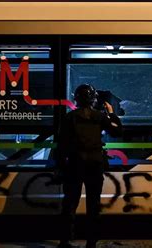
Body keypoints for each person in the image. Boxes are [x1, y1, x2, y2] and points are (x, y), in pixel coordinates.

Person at [57, 84, 122, 248]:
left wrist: (61, 165)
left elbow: (62, 144)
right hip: (94, 163)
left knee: (70, 203)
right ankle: (91, 241)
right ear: (93, 99)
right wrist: (112, 113)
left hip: (74, 164)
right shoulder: (100, 116)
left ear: (76, 99)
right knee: (93, 204)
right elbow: (117, 131)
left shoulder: (69, 118)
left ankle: (65, 240)